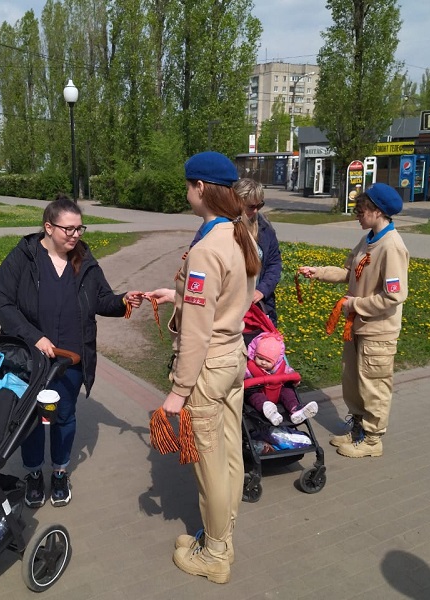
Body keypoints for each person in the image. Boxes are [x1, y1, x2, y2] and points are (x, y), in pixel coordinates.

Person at [145, 151, 260, 584]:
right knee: (230, 455)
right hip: (233, 356)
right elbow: (227, 299)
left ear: (200, 190)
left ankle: (214, 555)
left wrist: (178, 392)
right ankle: (221, 537)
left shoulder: (209, 246)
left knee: (209, 464)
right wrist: (177, 295)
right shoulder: (238, 234)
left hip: (208, 365)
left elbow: (195, 331)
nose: (186, 192)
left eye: (188, 185)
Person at [0, 194, 143, 508]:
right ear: (48, 227)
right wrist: (34, 337)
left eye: (79, 229)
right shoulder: (25, 256)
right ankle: (34, 473)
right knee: (30, 418)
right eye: (68, 229)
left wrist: (124, 300)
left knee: (64, 416)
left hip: (71, 358)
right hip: (31, 357)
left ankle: (59, 471)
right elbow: (2, 300)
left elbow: (102, 300)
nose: (75, 235)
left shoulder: (84, 260)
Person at [298, 183, 408, 458]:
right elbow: (349, 271)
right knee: (353, 381)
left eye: (360, 210)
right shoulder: (369, 238)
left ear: (377, 211)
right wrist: (318, 272)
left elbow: (394, 296)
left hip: (377, 331)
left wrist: (354, 304)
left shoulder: (392, 246)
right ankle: (358, 428)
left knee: (374, 384)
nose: (356, 215)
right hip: (357, 326)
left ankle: (372, 440)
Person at [233, 178, 282, 324]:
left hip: (259, 306)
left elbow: (275, 263)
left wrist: (262, 290)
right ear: (237, 202)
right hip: (231, 307)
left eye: (259, 205)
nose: (255, 211)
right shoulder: (223, 226)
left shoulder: (264, 226)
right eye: (250, 206)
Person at [244, 331, 318, 426]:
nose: (263, 363)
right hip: (259, 392)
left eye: (267, 361)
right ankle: (269, 412)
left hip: (277, 392)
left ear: (276, 361)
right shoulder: (250, 368)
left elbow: (291, 373)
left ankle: (296, 410)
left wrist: (295, 379)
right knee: (255, 396)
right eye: (260, 358)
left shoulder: (281, 367)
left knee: (287, 392)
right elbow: (242, 377)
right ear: (254, 355)